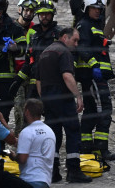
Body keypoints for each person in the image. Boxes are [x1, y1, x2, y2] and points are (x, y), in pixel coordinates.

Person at [35, 27, 91, 184]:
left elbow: (38, 81)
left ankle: (52, 172)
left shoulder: (45, 52)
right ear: (65, 38)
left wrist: (45, 99)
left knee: (53, 136)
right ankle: (73, 171)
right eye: (75, 40)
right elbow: (67, 75)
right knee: (73, 132)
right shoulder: (64, 52)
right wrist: (78, 96)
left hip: (48, 99)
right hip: (63, 98)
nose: (76, 44)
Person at [75, 0, 115, 161]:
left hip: (96, 76)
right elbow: (82, 48)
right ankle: (101, 148)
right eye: (94, 8)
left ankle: (85, 145)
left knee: (91, 111)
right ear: (86, 8)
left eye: (100, 8)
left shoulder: (94, 25)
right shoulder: (84, 25)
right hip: (93, 76)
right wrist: (94, 65)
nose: (98, 11)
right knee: (104, 110)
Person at [16, 0, 61, 99]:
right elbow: (28, 60)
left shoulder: (59, 34)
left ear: (52, 15)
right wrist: (18, 79)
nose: (44, 17)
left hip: (53, 84)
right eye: (41, 14)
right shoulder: (32, 34)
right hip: (34, 83)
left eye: (47, 14)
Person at [13, 99, 56, 188]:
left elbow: (22, 159)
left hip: (29, 180)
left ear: (27, 111)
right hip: (45, 180)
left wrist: (12, 156)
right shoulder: (50, 131)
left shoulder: (26, 132)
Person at [12, 0, 39, 133]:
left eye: (32, 11)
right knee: (19, 107)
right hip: (15, 74)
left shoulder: (36, 29)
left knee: (31, 109)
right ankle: (19, 136)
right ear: (19, 9)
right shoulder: (11, 27)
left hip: (31, 75)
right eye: (26, 10)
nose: (28, 13)